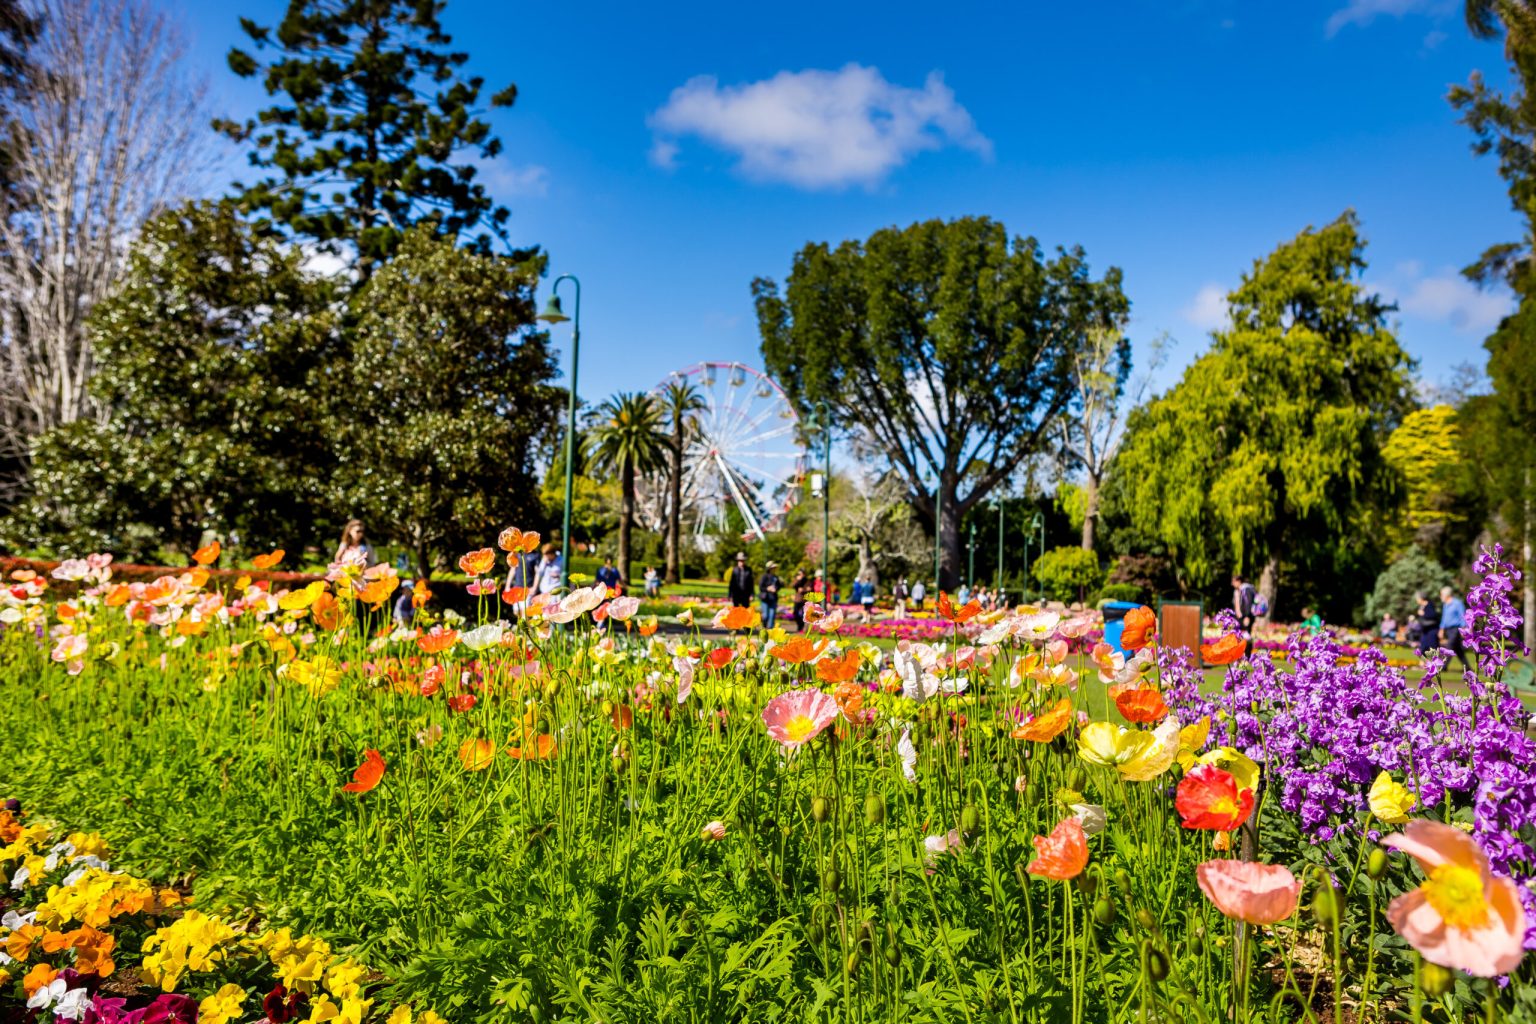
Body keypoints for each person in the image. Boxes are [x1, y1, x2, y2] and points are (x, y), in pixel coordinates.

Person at [1439, 585, 1472, 670]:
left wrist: (1464, 629)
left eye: (1441, 595)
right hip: (1449, 630)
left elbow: (1463, 616)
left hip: (1456, 629)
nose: (1440, 596)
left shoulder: (1457, 603)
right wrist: (1441, 629)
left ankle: (1443, 667)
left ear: (1447, 595)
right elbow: (1444, 618)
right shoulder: (1445, 605)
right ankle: (1467, 667)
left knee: (1449, 647)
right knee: (1458, 650)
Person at [1414, 591, 1441, 656]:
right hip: (1425, 630)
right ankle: (1423, 660)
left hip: (1432, 630)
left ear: (1421, 598)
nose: (1416, 600)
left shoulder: (1429, 605)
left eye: (1417, 598)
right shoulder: (1422, 606)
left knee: (1433, 647)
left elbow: (1433, 615)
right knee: (1423, 646)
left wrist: (1423, 613)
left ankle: (1436, 660)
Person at [759, 561, 781, 629]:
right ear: (769, 568)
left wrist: (775, 589)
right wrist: (768, 588)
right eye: (773, 568)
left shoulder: (776, 577)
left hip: (773, 598)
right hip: (765, 598)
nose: (774, 569)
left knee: (772, 615)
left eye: (775, 568)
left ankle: (770, 629)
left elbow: (779, 586)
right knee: (765, 615)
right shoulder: (764, 576)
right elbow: (761, 587)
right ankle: (764, 625)